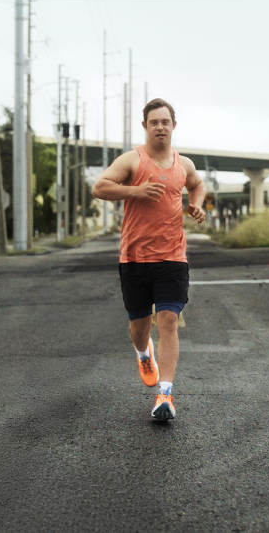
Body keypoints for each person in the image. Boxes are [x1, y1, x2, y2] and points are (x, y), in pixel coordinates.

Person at [92, 98, 206, 421]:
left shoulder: (183, 165)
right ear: (145, 127)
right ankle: (144, 354)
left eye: (165, 122)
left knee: (168, 320)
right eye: (153, 122)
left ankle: (166, 394)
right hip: (135, 258)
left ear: (173, 126)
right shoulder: (132, 160)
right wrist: (134, 192)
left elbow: (197, 185)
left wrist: (197, 204)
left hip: (172, 256)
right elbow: (100, 187)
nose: (160, 127)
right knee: (139, 328)